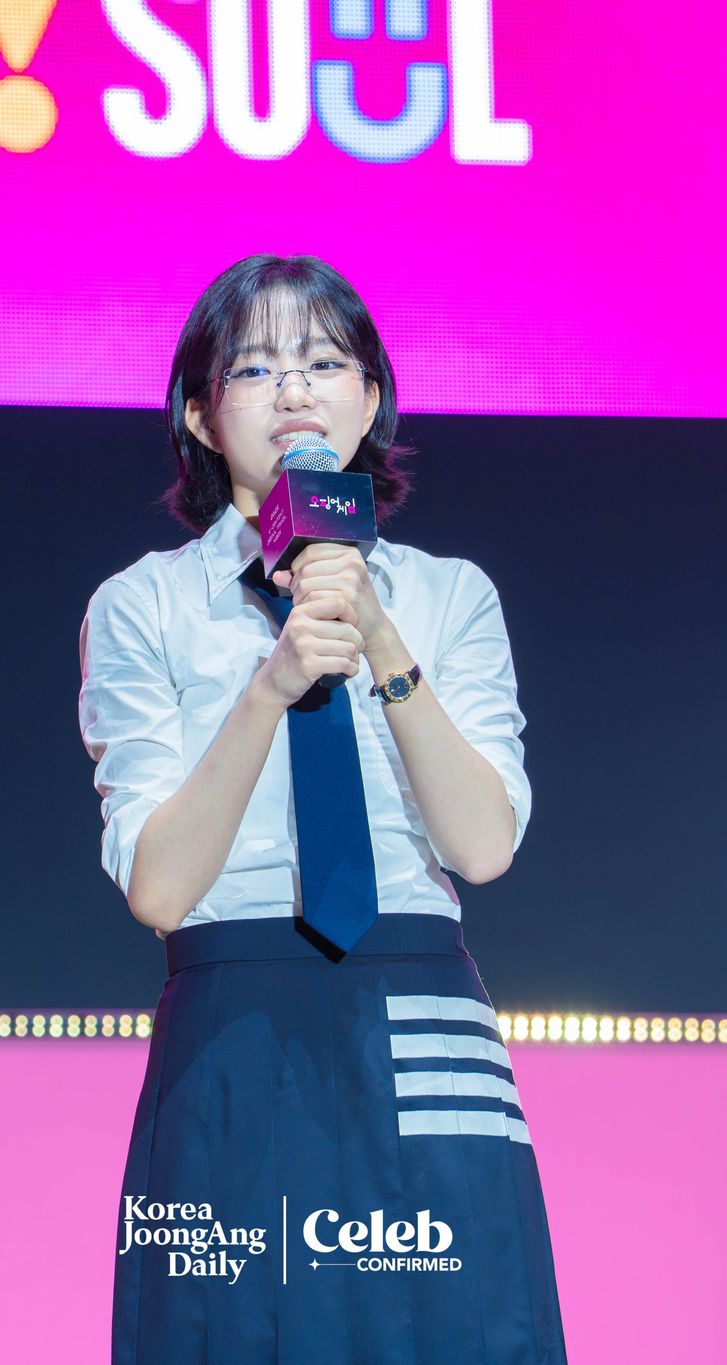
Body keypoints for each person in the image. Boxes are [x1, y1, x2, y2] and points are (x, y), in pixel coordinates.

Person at [78, 255, 565, 1365]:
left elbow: (482, 847)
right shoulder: (143, 604)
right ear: (201, 415)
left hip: (422, 1020)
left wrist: (378, 632)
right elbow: (157, 885)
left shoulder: (449, 595)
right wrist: (272, 685)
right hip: (230, 1032)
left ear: (372, 400)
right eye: (253, 368)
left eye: (324, 362)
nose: (294, 391)